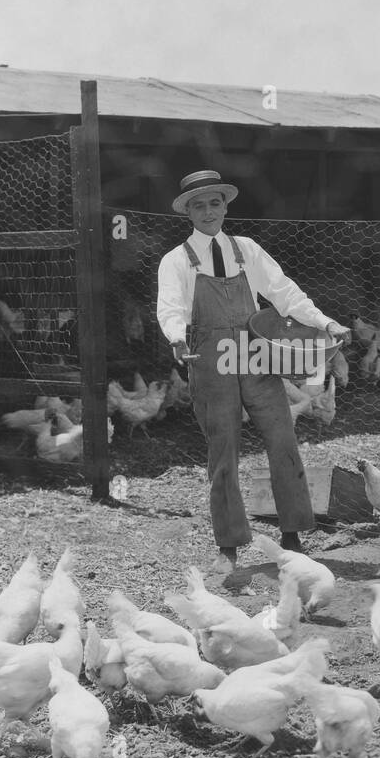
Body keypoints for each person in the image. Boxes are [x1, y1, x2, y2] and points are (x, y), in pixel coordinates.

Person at [157, 170, 349, 572]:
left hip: (255, 352)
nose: (208, 212)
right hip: (209, 357)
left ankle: (292, 534)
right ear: (187, 212)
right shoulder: (176, 261)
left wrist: (326, 321)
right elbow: (171, 308)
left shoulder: (246, 249)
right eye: (198, 205)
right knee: (222, 449)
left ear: (225, 206)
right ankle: (228, 546)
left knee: (282, 436)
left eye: (215, 203)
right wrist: (176, 337)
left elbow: (284, 292)